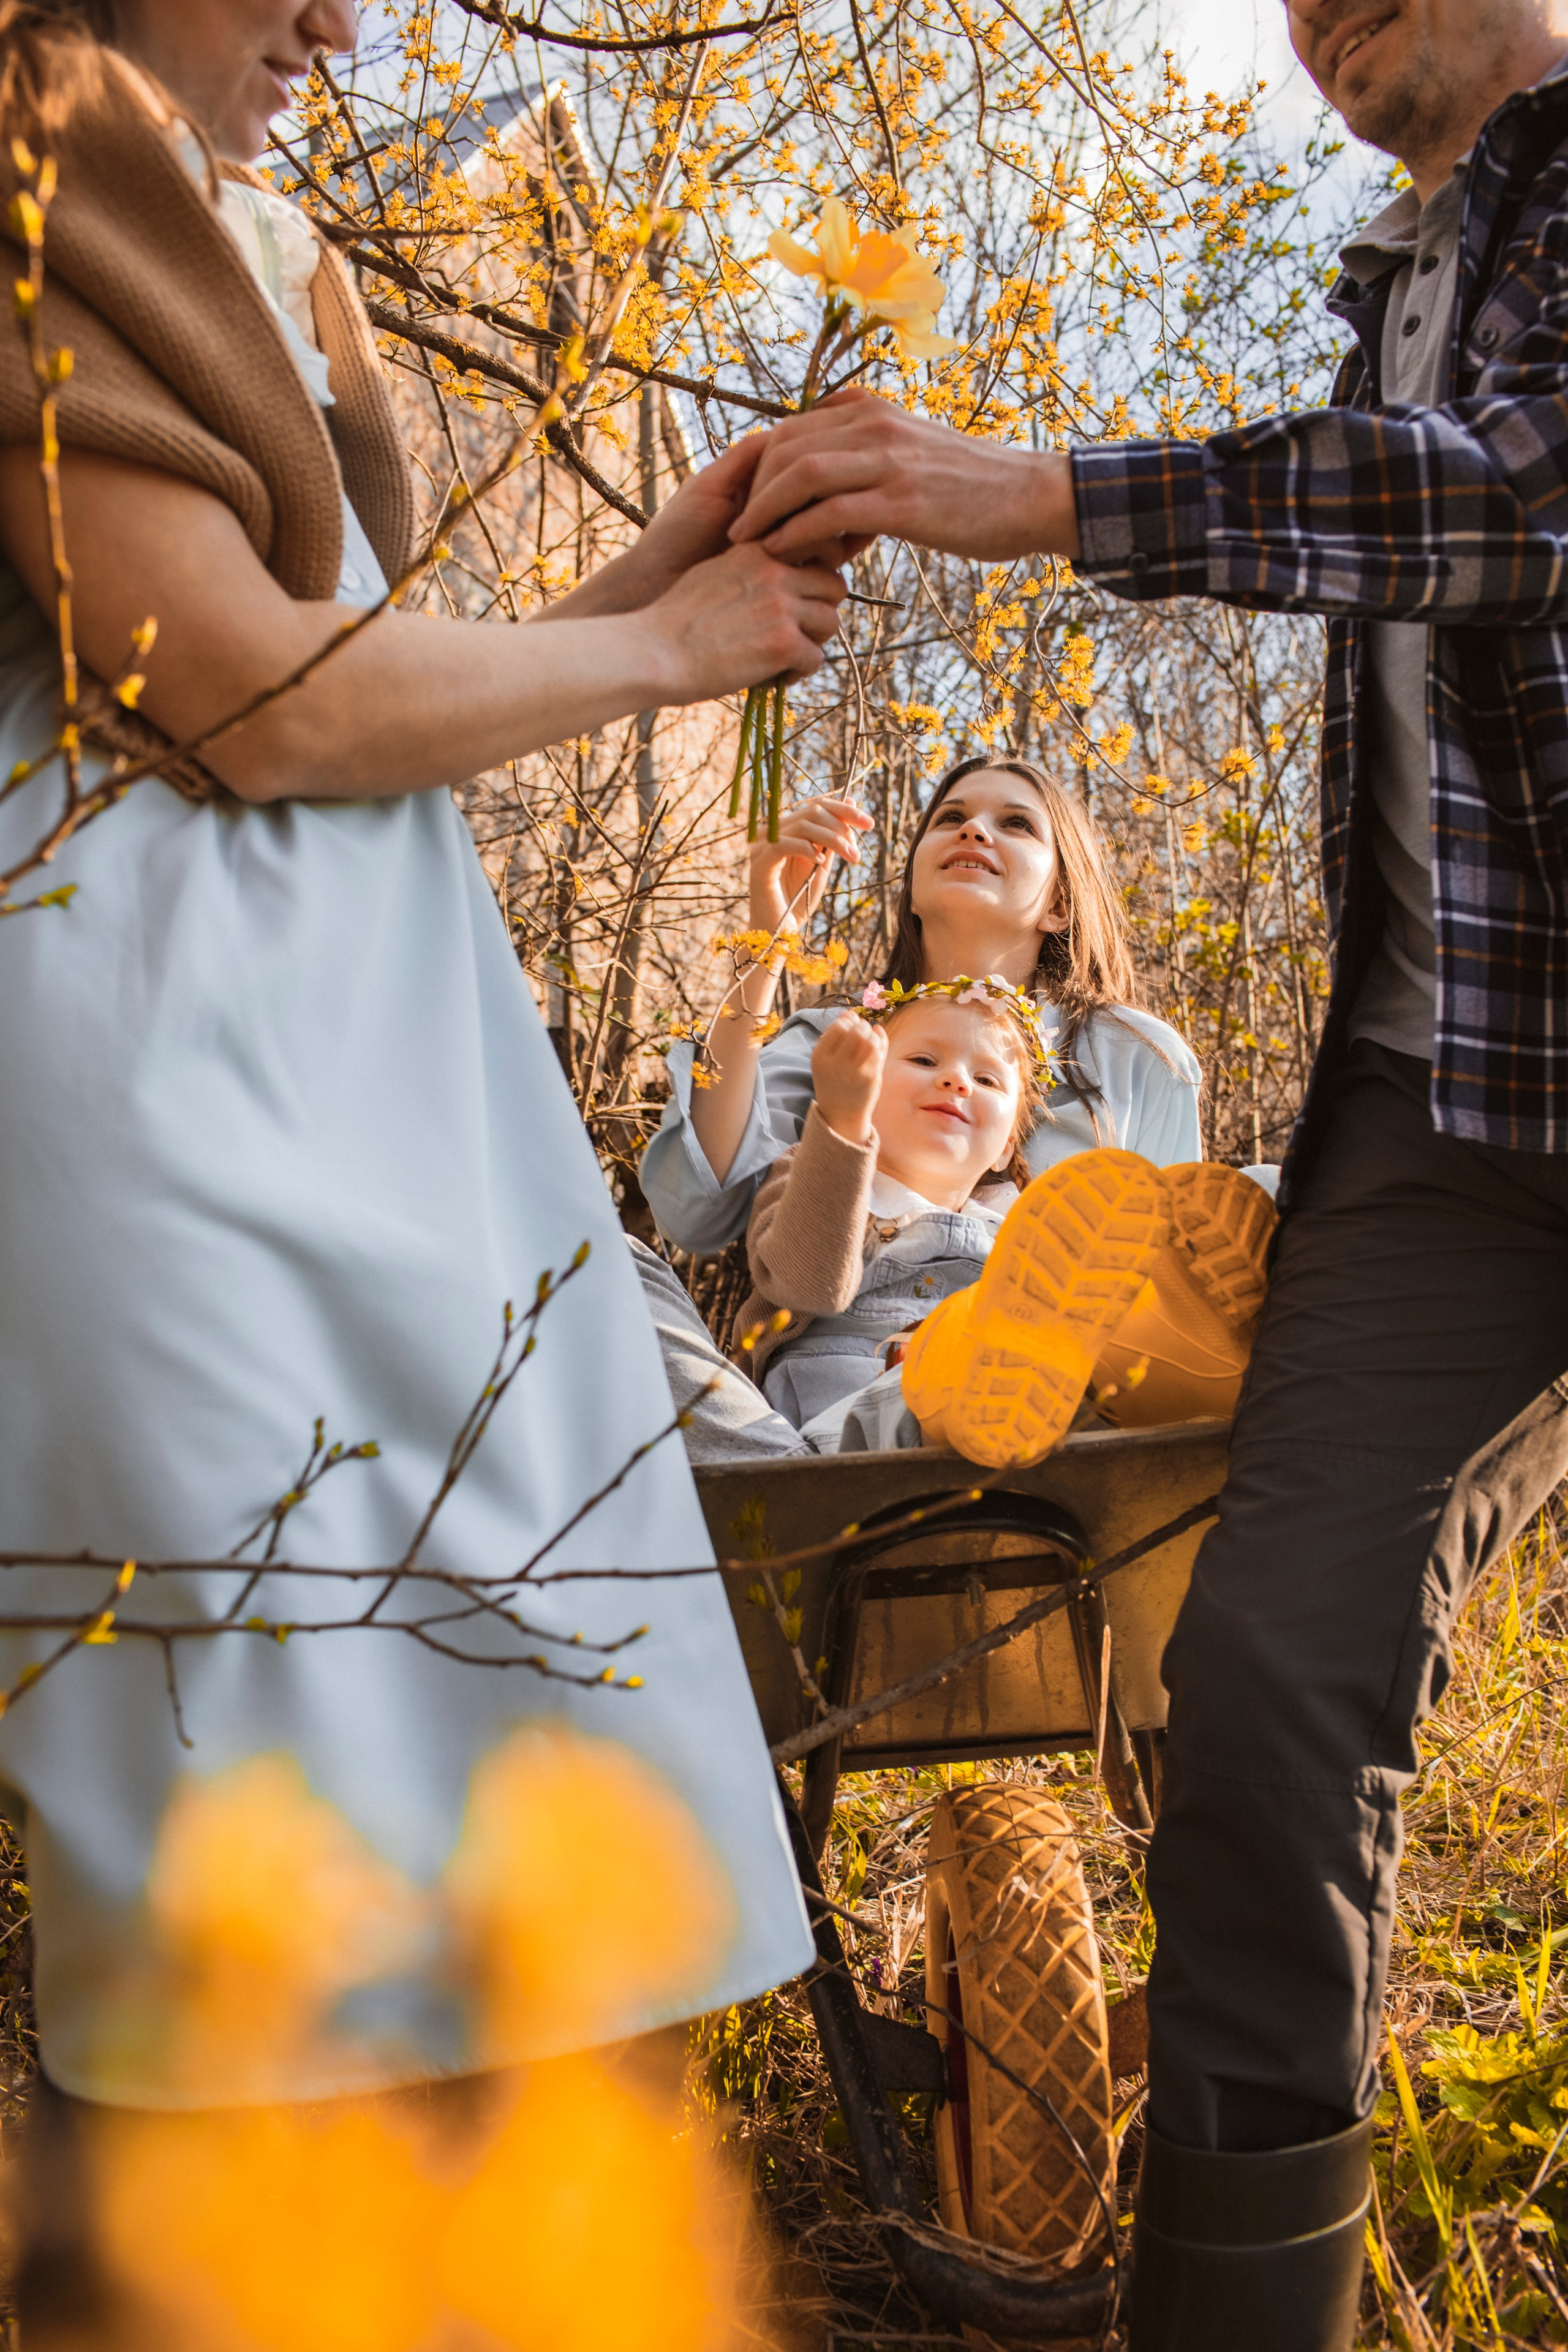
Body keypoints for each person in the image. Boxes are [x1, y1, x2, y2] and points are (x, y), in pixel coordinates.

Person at [726, 1, 1568, 2344]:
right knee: (1271, 1689)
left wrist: (1028, 490)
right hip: (1446, 1110)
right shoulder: (1386, 277)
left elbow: (1511, 494)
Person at [0, 0, 845, 2301]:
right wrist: (668, 651)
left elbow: (359, 694)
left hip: (397, 1092)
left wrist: (655, 570)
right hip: (182, 1099)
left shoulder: (236, 232)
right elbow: (259, 708)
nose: (340, 23)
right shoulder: (31, 157)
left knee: (556, 1782)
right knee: (253, 1838)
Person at [637, 754, 1208, 1450]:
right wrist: (769, 939)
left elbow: (1167, 1296)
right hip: (813, 1411)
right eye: (950, 818)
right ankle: (781, 1473)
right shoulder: (837, 1039)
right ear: (910, 886)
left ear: (1060, 900)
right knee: (599, 1258)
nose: (974, 831)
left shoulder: (1135, 1057)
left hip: (1027, 1422)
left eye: (1016, 823)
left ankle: (819, 1469)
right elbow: (696, 1207)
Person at [737, 979, 1274, 1458]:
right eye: (924, 1062)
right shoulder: (812, 1171)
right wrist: (841, 1122)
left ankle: (1194, 1355)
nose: (957, 1081)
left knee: (1262, 1188)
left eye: (988, 1080)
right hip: (840, 1437)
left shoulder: (1030, 1224)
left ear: (1006, 1147)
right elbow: (808, 1287)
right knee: (960, 1370)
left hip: (1013, 1444)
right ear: (864, 1087)